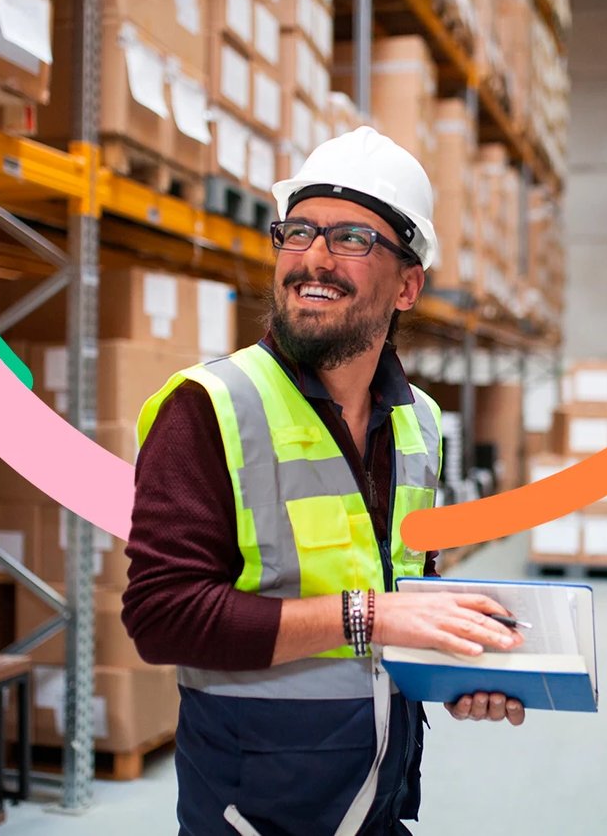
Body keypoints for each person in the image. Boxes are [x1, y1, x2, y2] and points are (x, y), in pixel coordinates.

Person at [122, 127, 526, 836]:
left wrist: (458, 667)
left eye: (351, 239)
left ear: (407, 285)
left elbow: (401, 585)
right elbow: (161, 617)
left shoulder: (419, 420)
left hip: (379, 806)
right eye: (298, 231)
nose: (313, 257)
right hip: (251, 816)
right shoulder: (210, 405)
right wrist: (368, 617)